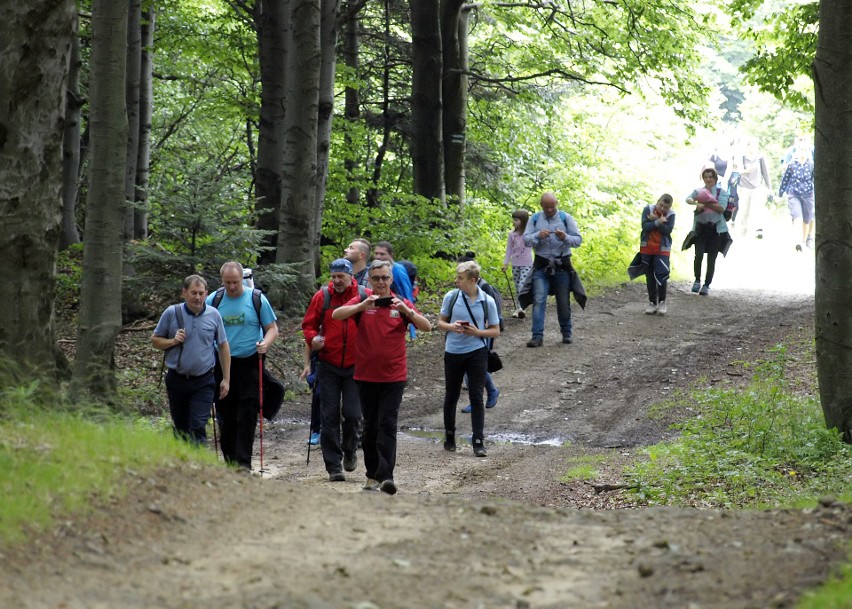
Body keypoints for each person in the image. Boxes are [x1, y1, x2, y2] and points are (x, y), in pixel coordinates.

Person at [331, 260, 431, 495]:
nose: (381, 282)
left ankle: (386, 476)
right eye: (376, 278)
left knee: (388, 425)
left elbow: (427, 326)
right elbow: (337, 314)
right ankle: (371, 475)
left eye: (385, 278)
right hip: (365, 376)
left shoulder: (401, 303)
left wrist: (408, 311)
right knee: (371, 427)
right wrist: (361, 307)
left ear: (391, 279)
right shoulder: (364, 302)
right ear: (370, 280)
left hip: (394, 376)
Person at [300, 258, 369, 482]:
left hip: (355, 365)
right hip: (328, 364)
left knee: (353, 414)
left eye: (341, 276)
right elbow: (308, 325)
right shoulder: (323, 296)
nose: (337, 280)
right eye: (333, 276)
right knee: (328, 415)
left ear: (351, 276)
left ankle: (350, 450)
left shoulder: (363, 294)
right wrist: (314, 339)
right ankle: (333, 467)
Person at [207, 261, 279, 470]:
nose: (232, 287)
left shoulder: (256, 298)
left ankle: (244, 463)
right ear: (222, 281)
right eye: (228, 282)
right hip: (221, 364)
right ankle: (230, 462)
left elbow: (272, 328)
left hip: (250, 363)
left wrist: (265, 343)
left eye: (236, 282)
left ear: (243, 280)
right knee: (226, 415)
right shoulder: (214, 299)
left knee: (248, 413)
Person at [152, 275, 231, 445]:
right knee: (181, 428)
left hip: (204, 380)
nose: (197, 297)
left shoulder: (214, 315)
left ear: (206, 294)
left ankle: (199, 465)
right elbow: (155, 341)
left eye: (201, 293)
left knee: (197, 425)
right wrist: (173, 341)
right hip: (177, 379)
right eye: (193, 293)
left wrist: (226, 379)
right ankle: (184, 466)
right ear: (184, 293)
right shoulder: (172, 313)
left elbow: (223, 346)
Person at [437, 261, 500, 457]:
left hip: (476, 352)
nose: (456, 281)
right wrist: (452, 327)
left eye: (460, 278)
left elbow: (495, 331)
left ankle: (478, 440)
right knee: (452, 394)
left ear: (472, 280)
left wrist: (476, 332)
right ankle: (449, 435)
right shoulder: (452, 296)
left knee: (476, 396)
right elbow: (440, 323)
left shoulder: (487, 300)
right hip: (453, 351)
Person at [522, 192, 583, 347]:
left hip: (562, 265)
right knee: (539, 300)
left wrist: (565, 238)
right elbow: (526, 240)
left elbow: (578, 240)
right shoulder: (535, 219)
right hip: (541, 265)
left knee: (563, 301)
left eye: (552, 206)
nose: (550, 210)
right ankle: (537, 336)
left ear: (556, 203)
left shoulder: (566, 218)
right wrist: (537, 235)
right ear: (541, 205)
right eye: (546, 207)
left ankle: (566, 332)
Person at [456, 252, 502, 413]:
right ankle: (489, 392)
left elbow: (494, 314)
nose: (457, 280)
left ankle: (481, 397)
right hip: (466, 333)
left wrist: (484, 332)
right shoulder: (460, 291)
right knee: (473, 368)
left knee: (473, 368)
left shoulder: (485, 288)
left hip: (482, 333)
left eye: (460, 276)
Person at [685, 167, 730, 296]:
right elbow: (688, 199)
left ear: (715, 178)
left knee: (711, 259)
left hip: (716, 230)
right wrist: (695, 203)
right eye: (706, 177)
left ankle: (706, 285)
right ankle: (697, 280)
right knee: (698, 255)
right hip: (701, 228)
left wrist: (704, 203)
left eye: (711, 177)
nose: (708, 179)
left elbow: (721, 208)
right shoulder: (700, 191)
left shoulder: (722, 192)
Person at [636, 195, 675, 315]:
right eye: (661, 205)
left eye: (665, 207)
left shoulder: (671, 215)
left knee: (662, 274)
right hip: (647, 247)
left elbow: (667, 231)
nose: (662, 208)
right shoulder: (648, 209)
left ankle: (662, 301)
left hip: (662, 249)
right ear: (657, 202)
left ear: (669, 208)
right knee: (650, 275)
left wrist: (654, 221)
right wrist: (658, 221)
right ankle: (652, 302)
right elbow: (645, 226)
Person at [734, 137, 773, 238]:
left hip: (757, 187)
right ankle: (743, 230)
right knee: (744, 210)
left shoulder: (760, 158)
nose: (755, 148)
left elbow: (765, 173)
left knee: (757, 208)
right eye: (752, 145)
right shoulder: (742, 157)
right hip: (744, 187)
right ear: (748, 146)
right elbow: (739, 171)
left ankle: (759, 229)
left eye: (756, 145)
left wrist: (769, 188)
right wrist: (747, 170)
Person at [778, 148, 815, 251]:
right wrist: (780, 193)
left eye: (805, 150)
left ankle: (803, 242)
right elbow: (785, 180)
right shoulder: (792, 165)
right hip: (794, 194)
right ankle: (797, 241)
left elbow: (814, 180)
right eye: (801, 150)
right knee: (797, 216)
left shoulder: (811, 165)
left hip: (808, 195)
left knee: (806, 220)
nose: (803, 152)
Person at [502, 209, 533, 319]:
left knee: (522, 285)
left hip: (527, 263)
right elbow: (509, 250)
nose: (514, 222)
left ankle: (522, 308)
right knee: (517, 286)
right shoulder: (512, 235)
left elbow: (537, 245)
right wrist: (505, 263)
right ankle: (519, 308)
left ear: (523, 221)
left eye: (516, 220)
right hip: (515, 263)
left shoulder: (529, 234)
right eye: (513, 219)